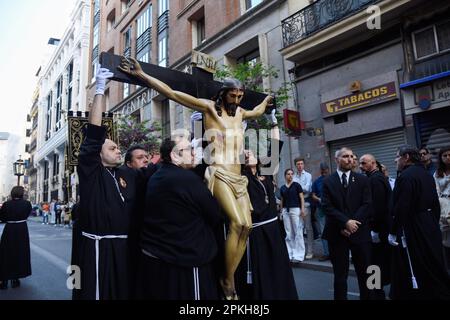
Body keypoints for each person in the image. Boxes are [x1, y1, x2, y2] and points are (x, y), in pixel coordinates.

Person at [119, 57, 273, 299]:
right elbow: (172, 93)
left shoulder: (241, 113)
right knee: (236, 223)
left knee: (246, 226)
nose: (236, 100)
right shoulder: (210, 108)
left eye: (239, 96)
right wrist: (142, 76)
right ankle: (227, 279)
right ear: (223, 94)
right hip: (219, 172)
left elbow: (258, 111)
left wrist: (266, 102)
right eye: (232, 96)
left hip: (238, 176)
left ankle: (227, 274)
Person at [74, 66, 157, 300]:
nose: (118, 149)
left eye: (118, 147)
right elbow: (94, 132)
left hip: (125, 249)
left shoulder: (128, 174)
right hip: (98, 250)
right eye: (112, 147)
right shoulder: (91, 173)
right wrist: (100, 89)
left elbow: (163, 168)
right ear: (97, 154)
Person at [137, 137, 222, 300]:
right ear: (174, 156)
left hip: (161, 259)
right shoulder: (187, 179)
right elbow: (214, 214)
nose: (193, 153)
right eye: (189, 149)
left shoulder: (158, 176)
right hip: (187, 260)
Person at [235, 111, 298, 300]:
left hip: (274, 231)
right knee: (263, 273)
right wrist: (240, 130)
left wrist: (273, 123)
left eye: (250, 152)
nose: (247, 155)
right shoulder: (241, 179)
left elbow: (276, 147)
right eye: (244, 155)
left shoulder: (267, 173)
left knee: (279, 270)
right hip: (257, 234)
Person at [389, 145, 450, 300]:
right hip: (429, 223)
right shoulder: (426, 173)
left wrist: (393, 231)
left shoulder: (405, 176)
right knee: (435, 263)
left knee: (422, 266)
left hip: (415, 225)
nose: (395, 160)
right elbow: (435, 203)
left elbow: (402, 207)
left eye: (397, 156)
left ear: (406, 157)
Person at [322, 147, 373, 300]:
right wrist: (345, 223)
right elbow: (327, 206)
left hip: (360, 232)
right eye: (345, 156)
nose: (350, 159)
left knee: (368, 271)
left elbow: (367, 204)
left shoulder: (363, 179)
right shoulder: (328, 181)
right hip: (337, 233)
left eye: (351, 156)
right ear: (337, 160)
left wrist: (353, 224)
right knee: (340, 275)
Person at [359, 154, 392, 299]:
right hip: (379, 228)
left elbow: (378, 207)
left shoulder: (376, 179)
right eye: (360, 163)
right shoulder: (375, 178)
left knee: (375, 263)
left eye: (364, 163)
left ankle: (376, 293)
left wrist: (375, 229)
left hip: (378, 229)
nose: (361, 166)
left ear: (373, 163)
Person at [0, 186, 32, 289]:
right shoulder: (27, 204)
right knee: (19, 253)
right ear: (22, 194)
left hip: (9, 229)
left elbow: (2, 217)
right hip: (21, 230)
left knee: (5, 253)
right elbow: (27, 214)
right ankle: (15, 278)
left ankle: (3, 280)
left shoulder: (6, 204)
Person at [280, 169, 305, 263]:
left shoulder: (297, 185)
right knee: (288, 233)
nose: (290, 175)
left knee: (298, 232)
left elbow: (301, 198)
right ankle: (290, 253)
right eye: (288, 174)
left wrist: (302, 209)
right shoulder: (282, 187)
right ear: (285, 176)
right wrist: (281, 211)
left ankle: (299, 255)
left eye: (291, 174)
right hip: (286, 210)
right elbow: (282, 200)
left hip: (295, 209)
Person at [292, 157, 314, 259]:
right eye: (298, 164)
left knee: (308, 228)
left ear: (304, 165)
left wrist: (298, 187)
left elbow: (308, 189)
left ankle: (310, 251)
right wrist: (300, 188)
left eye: (301, 164)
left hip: (305, 204)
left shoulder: (308, 175)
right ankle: (301, 251)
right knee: (298, 228)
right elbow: (294, 190)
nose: (300, 166)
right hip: (296, 204)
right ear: (295, 165)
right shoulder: (293, 176)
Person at [311, 162, 330, 261]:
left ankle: (334, 252)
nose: (324, 171)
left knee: (333, 231)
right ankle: (327, 253)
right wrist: (318, 199)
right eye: (322, 169)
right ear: (320, 170)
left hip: (332, 209)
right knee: (323, 232)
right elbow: (313, 194)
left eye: (325, 169)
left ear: (328, 169)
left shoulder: (332, 179)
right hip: (321, 209)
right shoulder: (317, 181)